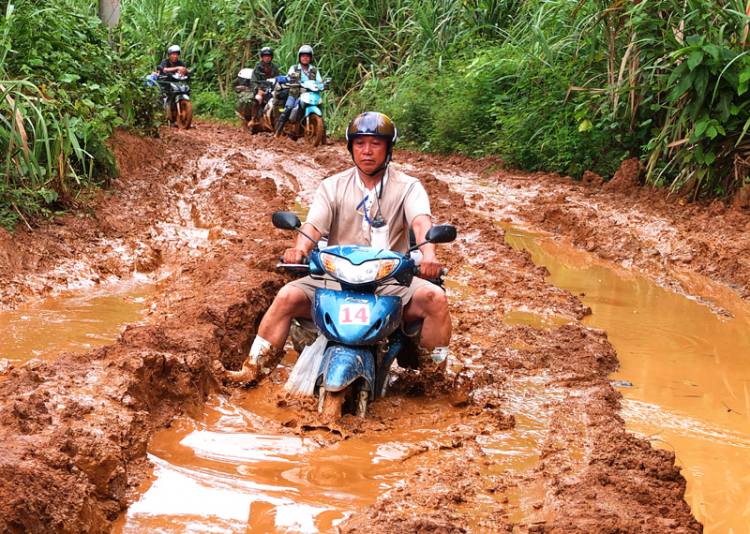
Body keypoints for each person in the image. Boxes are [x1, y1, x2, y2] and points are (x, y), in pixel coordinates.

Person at [227, 112, 451, 385]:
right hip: (335, 278)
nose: (366, 151)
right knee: (286, 296)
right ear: (350, 148)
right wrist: (298, 248)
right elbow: (312, 227)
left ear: (389, 148)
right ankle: (252, 371)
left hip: (390, 280)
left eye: (375, 144)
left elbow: (421, 222)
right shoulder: (331, 186)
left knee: (435, 298)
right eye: (359, 144)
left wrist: (429, 255)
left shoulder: (408, 187)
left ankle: (434, 382)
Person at [274, 45, 323, 137]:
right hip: (295, 93)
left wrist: (323, 85)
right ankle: (277, 132)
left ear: (310, 58)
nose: (305, 58)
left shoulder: (314, 70)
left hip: (311, 94)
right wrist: (290, 80)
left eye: (307, 56)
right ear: (300, 57)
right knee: (287, 109)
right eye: (303, 56)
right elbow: (288, 77)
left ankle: (323, 137)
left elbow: (319, 81)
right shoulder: (294, 68)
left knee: (320, 109)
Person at [236, 47, 280, 130]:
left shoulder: (274, 67)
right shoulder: (257, 68)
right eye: (265, 56)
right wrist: (259, 89)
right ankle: (253, 119)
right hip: (260, 89)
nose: (267, 57)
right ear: (262, 57)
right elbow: (253, 82)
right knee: (258, 98)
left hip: (272, 88)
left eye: (269, 56)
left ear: (271, 57)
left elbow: (278, 78)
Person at [157, 45, 189, 127]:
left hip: (175, 83)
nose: (175, 56)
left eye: (177, 54)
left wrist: (185, 70)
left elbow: (185, 69)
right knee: (159, 96)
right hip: (163, 82)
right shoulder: (165, 61)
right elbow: (165, 69)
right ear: (169, 55)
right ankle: (159, 116)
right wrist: (178, 68)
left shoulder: (180, 62)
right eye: (173, 54)